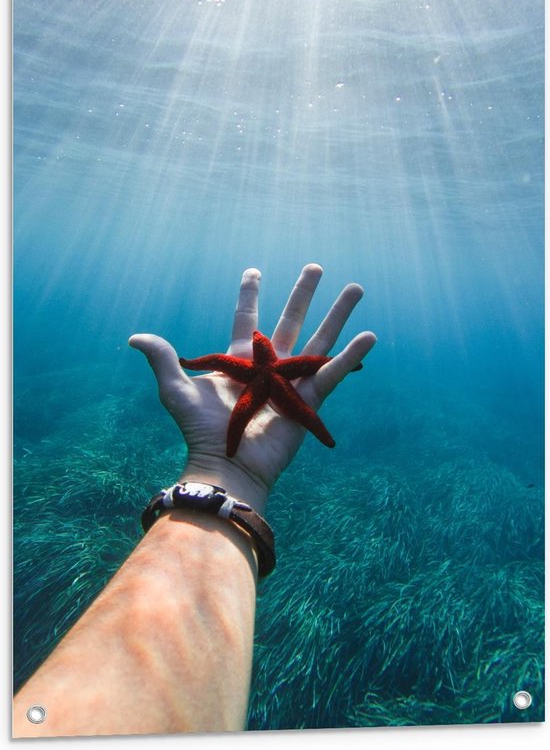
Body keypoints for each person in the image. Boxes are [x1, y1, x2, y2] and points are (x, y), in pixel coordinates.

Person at [12, 263, 376, 738]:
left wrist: (224, 468)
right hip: (238, 474)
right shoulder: (261, 373)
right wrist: (233, 474)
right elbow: (236, 367)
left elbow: (258, 370)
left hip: (229, 467)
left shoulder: (267, 372)